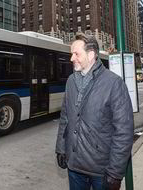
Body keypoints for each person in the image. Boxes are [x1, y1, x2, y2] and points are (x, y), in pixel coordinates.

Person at [56, 33, 135, 190]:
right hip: (74, 166)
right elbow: (65, 118)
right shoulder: (71, 81)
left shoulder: (114, 83)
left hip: (101, 170)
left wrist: (115, 172)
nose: (71, 58)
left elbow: (124, 132)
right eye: (71, 54)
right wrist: (61, 148)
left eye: (76, 54)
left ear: (91, 54)